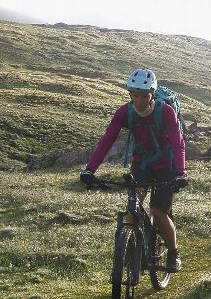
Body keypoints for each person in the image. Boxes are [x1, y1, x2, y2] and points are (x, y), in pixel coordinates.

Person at [80, 68, 188, 271]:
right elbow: (107, 140)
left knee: (158, 210)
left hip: (168, 165)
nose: (139, 101)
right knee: (133, 207)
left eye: (144, 96)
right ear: (130, 95)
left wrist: (181, 172)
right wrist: (90, 169)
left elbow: (177, 143)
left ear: (152, 95)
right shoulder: (124, 112)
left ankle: (173, 253)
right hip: (143, 163)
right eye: (135, 96)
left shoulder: (165, 111)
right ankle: (128, 254)